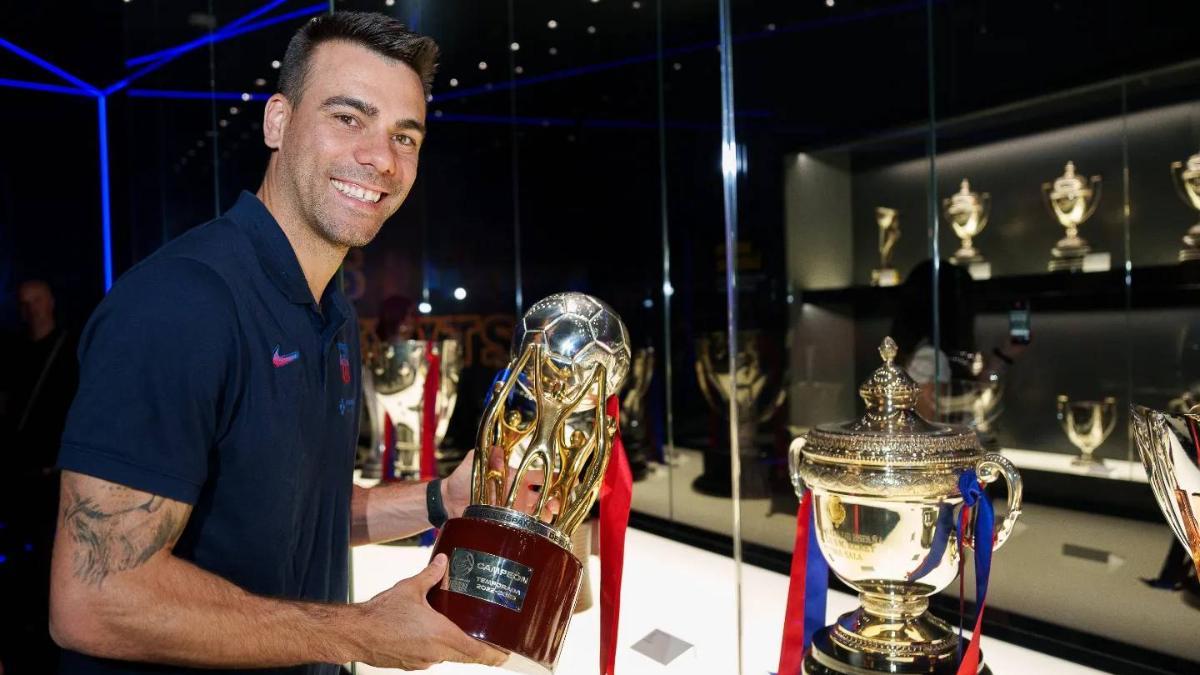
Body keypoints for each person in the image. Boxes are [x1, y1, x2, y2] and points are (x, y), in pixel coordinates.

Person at [48, 13, 513, 674]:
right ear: (276, 122)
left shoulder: (332, 312)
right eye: (348, 118)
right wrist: (356, 632)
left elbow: (297, 516)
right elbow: (94, 597)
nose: (380, 158)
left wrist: (444, 500)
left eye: (403, 135)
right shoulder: (181, 304)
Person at [0, 279, 77, 674]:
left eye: (35, 303)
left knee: (48, 562)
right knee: (17, 567)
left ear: (49, 303)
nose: (30, 311)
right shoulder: (14, 353)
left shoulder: (68, 350)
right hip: (18, 477)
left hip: (51, 476)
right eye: (23, 305)